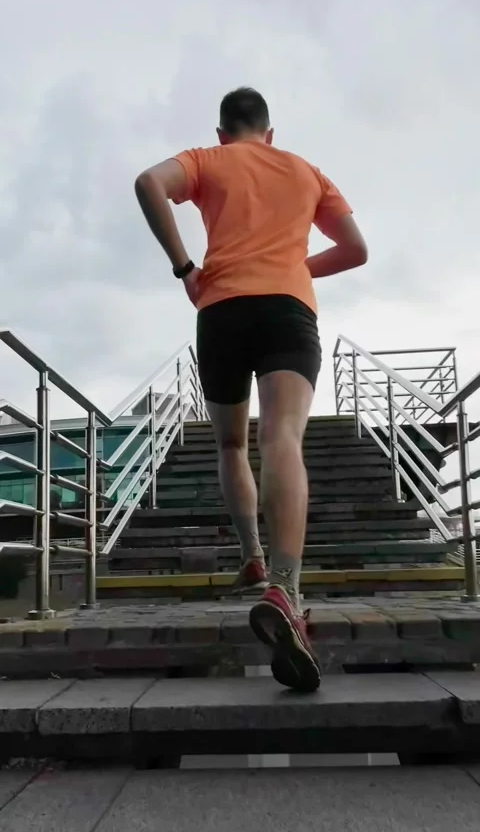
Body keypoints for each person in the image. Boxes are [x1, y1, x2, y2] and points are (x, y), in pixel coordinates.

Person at [135, 87, 368, 692]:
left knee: (232, 445)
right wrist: (292, 266)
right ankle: (285, 589)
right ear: (270, 132)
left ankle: (253, 556)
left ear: (222, 132)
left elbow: (147, 184)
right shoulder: (306, 170)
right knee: (282, 436)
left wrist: (186, 268)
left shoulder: (208, 160)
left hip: (222, 310)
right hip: (289, 310)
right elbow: (356, 249)